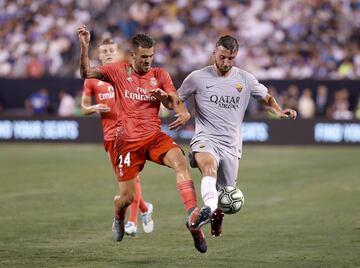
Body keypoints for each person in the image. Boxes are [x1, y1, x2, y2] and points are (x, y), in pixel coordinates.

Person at [78, 25, 210, 253]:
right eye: (143, 57)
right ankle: (119, 216)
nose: (148, 61)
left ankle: (193, 217)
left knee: (180, 160)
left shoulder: (159, 75)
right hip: (126, 142)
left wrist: (174, 105)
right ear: (132, 55)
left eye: (151, 56)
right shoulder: (116, 71)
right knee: (127, 198)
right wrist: (84, 47)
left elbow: (173, 101)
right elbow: (86, 73)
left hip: (153, 137)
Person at [177, 35, 297, 237]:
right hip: (206, 137)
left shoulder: (245, 79)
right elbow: (176, 98)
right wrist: (179, 110)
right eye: (222, 57)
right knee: (209, 166)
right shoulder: (197, 77)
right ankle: (207, 208)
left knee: (226, 193)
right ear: (214, 52)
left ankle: (212, 216)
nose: (226, 62)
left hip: (231, 144)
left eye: (231, 58)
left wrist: (277, 110)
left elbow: (266, 98)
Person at [81, 37, 154, 236]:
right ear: (99, 54)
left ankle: (132, 222)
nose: (108, 54)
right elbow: (84, 108)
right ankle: (146, 209)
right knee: (125, 182)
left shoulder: (127, 72)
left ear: (117, 52)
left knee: (132, 177)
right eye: (104, 51)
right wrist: (94, 107)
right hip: (110, 136)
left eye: (111, 50)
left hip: (130, 134)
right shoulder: (93, 79)